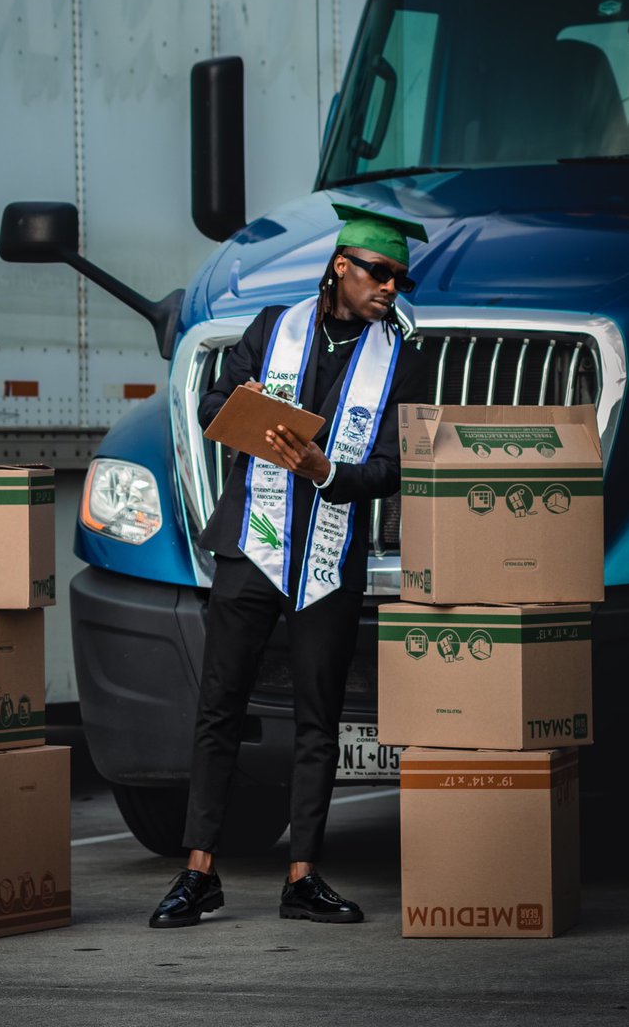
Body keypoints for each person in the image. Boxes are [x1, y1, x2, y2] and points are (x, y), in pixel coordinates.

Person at [148, 202, 430, 928]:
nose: (391, 288)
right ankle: (198, 872)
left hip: (329, 558)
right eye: (380, 273)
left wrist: (326, 467)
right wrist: (254, 418)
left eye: (400, 278)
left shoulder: (401, 359)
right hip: (251, 545)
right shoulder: (275, 327)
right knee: (219, 710)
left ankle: (303, 875)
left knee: (317, 720)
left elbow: (394, 468)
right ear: (342, 266)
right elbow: (216, 400)